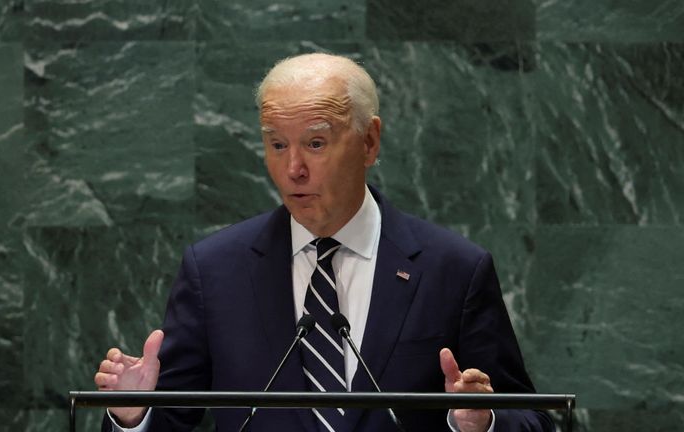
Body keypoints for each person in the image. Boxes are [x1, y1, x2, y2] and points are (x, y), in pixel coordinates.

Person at [94, 53, 554, 432]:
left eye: (315, 144)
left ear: (370, 142)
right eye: (276, 145)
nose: (293, 168)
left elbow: (534, 420)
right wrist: (134, 413)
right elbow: (173, 419)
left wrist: (483, 420)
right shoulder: (215, 271)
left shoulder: (453, 270)